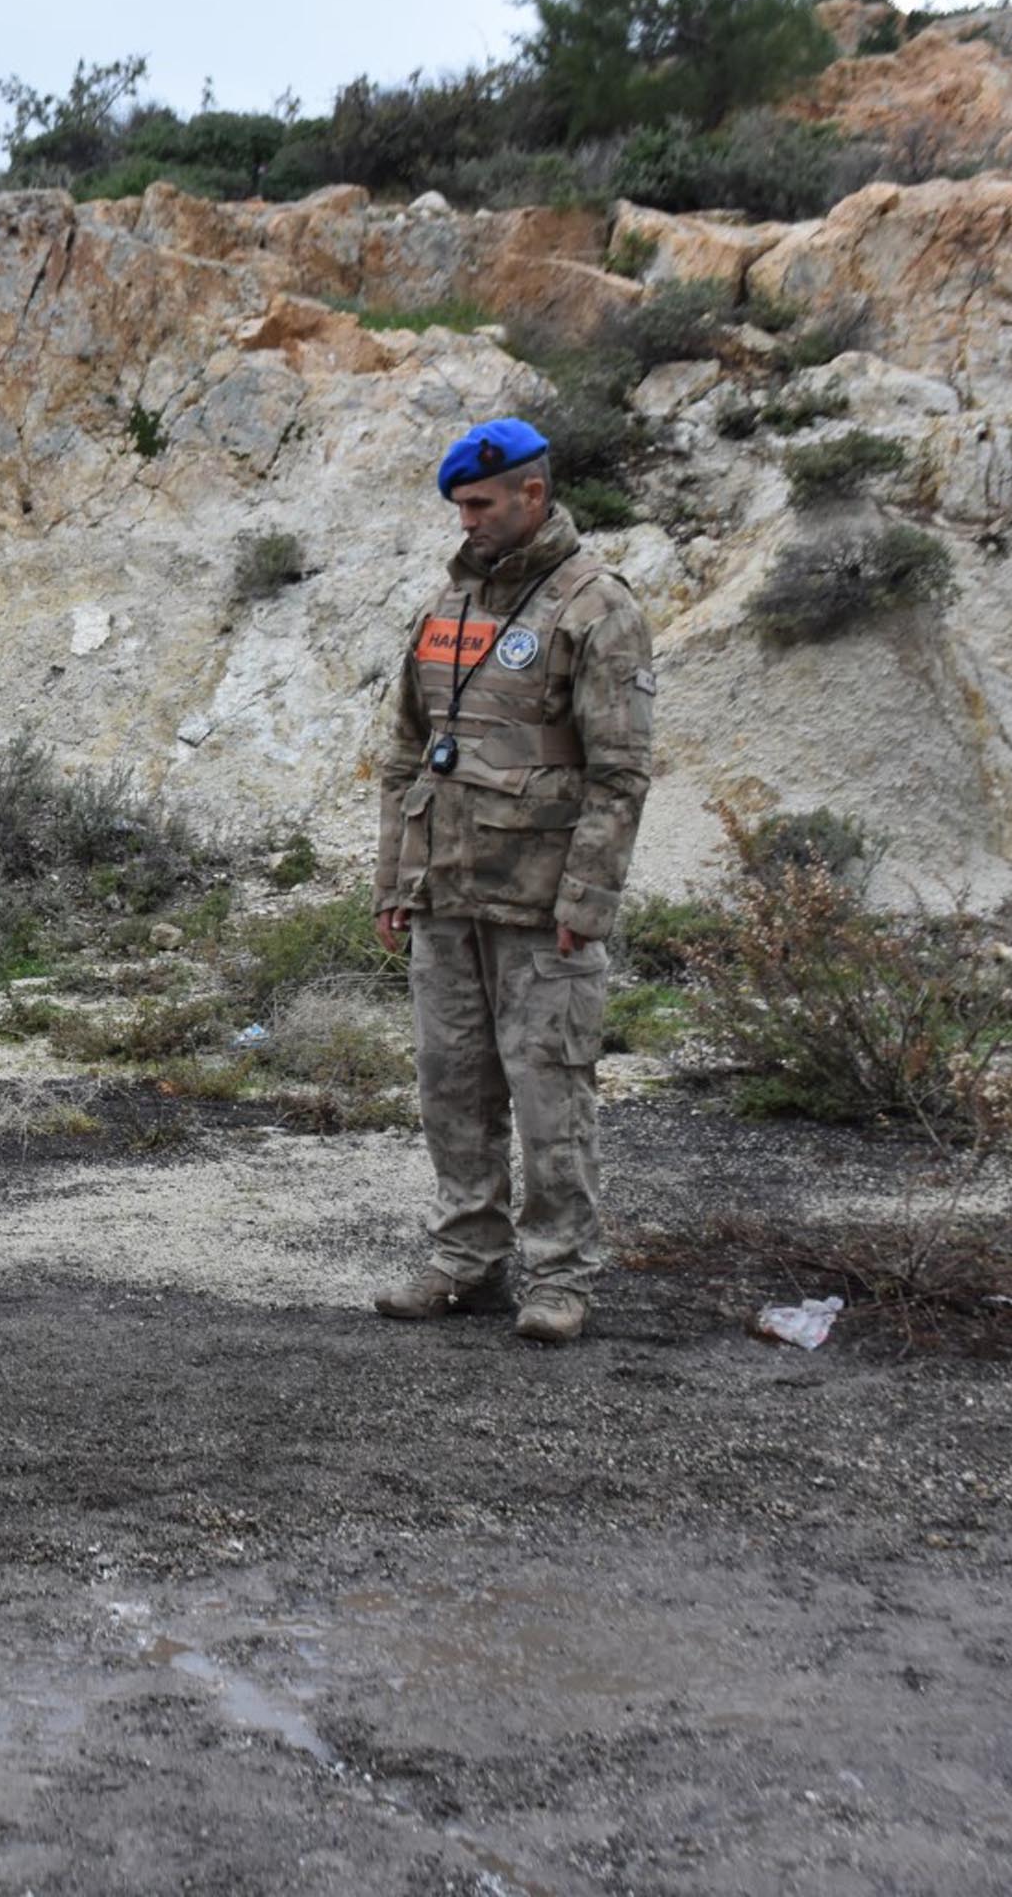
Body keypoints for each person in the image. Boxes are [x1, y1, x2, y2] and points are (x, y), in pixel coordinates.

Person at [368, 418, 656, 1344]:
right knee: (451, 1086)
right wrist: (393, 882)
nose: (468, 523)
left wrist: (587, 901)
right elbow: (405, 753)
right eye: (459, 507)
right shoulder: (444, 607)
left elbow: (620, 774)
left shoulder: (596, 607)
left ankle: (563, 1278)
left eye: (482, 505)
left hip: (540, 905)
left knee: (548, 1092)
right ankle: (466, 1263)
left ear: (534, 495)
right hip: (446, 894)